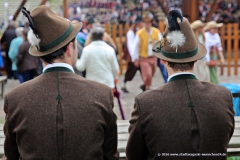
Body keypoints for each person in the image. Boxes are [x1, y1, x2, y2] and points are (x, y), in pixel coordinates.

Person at [3, 6, 118, 160]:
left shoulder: (15, 98)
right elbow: (110, 155)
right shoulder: (102, 94)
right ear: (70, 49)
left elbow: (11, 156)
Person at [126, 10, 235, 160]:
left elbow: (134, 154)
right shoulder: (224, 96)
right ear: (196, 59)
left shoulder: (145, 103)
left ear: (163, 61)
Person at [131, 12, 162, 91]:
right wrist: (135, 58)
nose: (148, 24)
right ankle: (147, 88)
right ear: (144, 23)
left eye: (149, 22)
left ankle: (145, 85)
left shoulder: (156, 32)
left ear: (151, 23)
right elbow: (135, 47)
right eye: (146, 22)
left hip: (153, 57)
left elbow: (161, 44)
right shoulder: (139, 33)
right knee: (147, 73)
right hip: (144, 57)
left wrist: (161, 56)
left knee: (152, 73)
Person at [121, 15, 143, 93]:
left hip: (141, 55)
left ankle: (145, 84)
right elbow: (131, 45)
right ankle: (124, 84)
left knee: (143, 70)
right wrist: (134, 57)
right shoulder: (131, 32)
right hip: (133, 55)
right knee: (130, 70)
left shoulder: (142, 32)